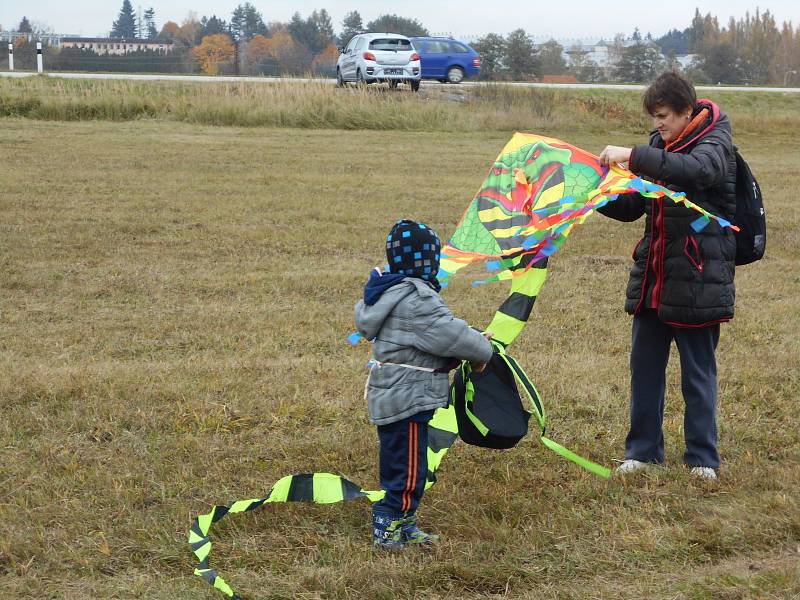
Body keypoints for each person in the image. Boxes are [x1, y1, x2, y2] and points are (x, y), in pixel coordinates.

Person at [597, 71, 737, 480]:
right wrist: (596, 189)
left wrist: (633, 154)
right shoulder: (659, 146)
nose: (657, 124)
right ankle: (642, 452)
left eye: (663, 116)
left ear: (686, 111)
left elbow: (695, 171)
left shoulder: (714, 143)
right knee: (644, 368)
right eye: (654, 117)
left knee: (697, 373)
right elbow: (633, 206)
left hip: (698, 279)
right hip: (654, 277)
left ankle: (702, 458)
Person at [354, 219, 493, 548]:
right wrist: (481, 347)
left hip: (393, 393)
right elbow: (450, 335)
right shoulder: (417, 299)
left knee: (399, 463)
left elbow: (435, 338)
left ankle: (403, 526)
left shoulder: (390, 293)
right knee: (409, 470)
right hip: (408, 397)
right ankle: (389, 529)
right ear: (426, 262)